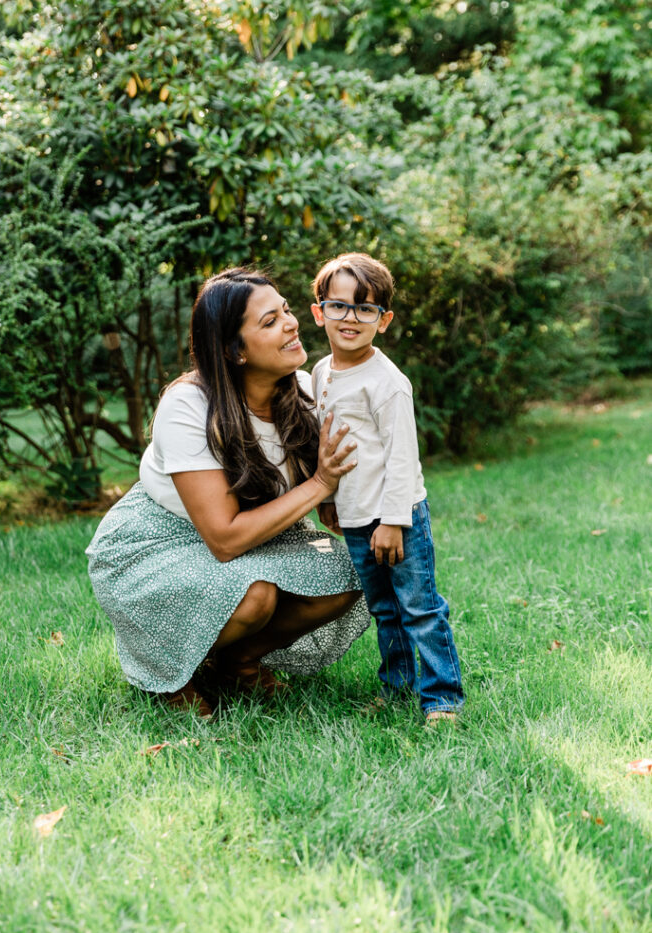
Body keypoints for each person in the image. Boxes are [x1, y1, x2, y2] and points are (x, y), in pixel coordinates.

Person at [86, 268, 370, 716]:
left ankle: (238, 661)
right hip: (160, 541)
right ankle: (171, 675)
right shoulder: (188, 405)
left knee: (352, 572)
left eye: (287, 311)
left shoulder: (303, 391)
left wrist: (339, 500)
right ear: (235, 351)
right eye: (270, 321)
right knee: (254, 595)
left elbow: (329, 486)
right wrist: (320, 485)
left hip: (260, 530)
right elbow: (225, 539)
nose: (292, 323)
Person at [310, 253, 464, 723]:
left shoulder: (387, 383)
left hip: (396, 517)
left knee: (418, 607)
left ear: (385, 320)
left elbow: (402, 458)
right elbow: (330, 443)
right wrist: (333, 501)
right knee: (384, 609)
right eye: (339, 306)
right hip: (356, 519)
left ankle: (442, 697)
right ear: (318, 312)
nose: (350, 318)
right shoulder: (321, 372)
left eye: (365, 308)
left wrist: (394, 522)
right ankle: (397, 687)